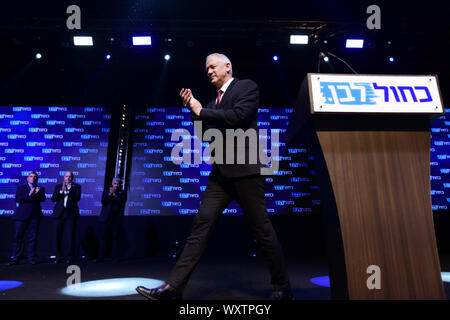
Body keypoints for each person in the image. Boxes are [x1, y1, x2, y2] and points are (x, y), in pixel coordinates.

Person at [136, 53, 292, 300]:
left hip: (246, 171)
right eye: (206, 68)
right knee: (200, 227)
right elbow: (205, 136)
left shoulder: (246, 87)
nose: (208, 71)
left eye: (212, 66)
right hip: (220, 174)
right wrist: (193, 111)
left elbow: (238, 118)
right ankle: (173, 288)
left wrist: (202, 110)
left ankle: (282, 287)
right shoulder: (211, 102)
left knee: (262, 231)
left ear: (227, 66)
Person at [9, 172, 46, 265]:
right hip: (21, 216)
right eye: (31, 176)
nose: (33, 178)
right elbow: (18, 199)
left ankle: (31, 258)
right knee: (18, 238)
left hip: (35, 216)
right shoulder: (21, 188)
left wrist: (36, 194)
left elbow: (43, 199)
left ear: (37, 179)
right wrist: (29, 195)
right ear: (27, 178)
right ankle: (16, 258)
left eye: (35, 177)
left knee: (32, 238)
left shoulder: (40, 188)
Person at [51, 171, 81, 264]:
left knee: (70, 236)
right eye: (66, 176)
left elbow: (77, 197)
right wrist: (61, 191)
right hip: (59, 214)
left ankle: (69, 256)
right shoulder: (58, 186)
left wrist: (68, 191)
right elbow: (53, 198)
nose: (68, 178)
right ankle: (58, 256)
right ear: (64, 177)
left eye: (70, 177)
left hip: (70, 214)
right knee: (57, 236)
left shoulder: (77, 186)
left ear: (72, 178)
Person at [96, 177, 127, 262]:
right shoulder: (106, 191)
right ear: (112, 183)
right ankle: (101, 257)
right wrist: (110, 194)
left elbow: (121, 202)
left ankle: (114, 257)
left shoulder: (122, 193)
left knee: (115, 238)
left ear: (120, 185)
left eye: (118, 184)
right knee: (103, 238)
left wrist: (114, 195)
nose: (116, 186)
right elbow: (103, 201)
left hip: (116, 219)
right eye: (115, 184)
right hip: (106, 218)